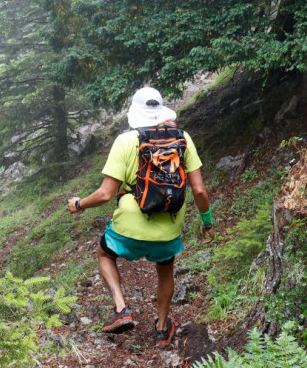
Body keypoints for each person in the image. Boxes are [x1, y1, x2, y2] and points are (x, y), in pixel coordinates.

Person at [67, 87, 215, 346]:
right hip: (168, 226)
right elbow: (200, 190)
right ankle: (161, 328)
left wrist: (79, 204)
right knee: (165, 267)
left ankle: (121, 309)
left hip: (129, 227)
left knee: (105, 253)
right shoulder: (183, 139)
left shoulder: (125, 141)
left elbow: (104, 194)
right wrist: (207, 222)